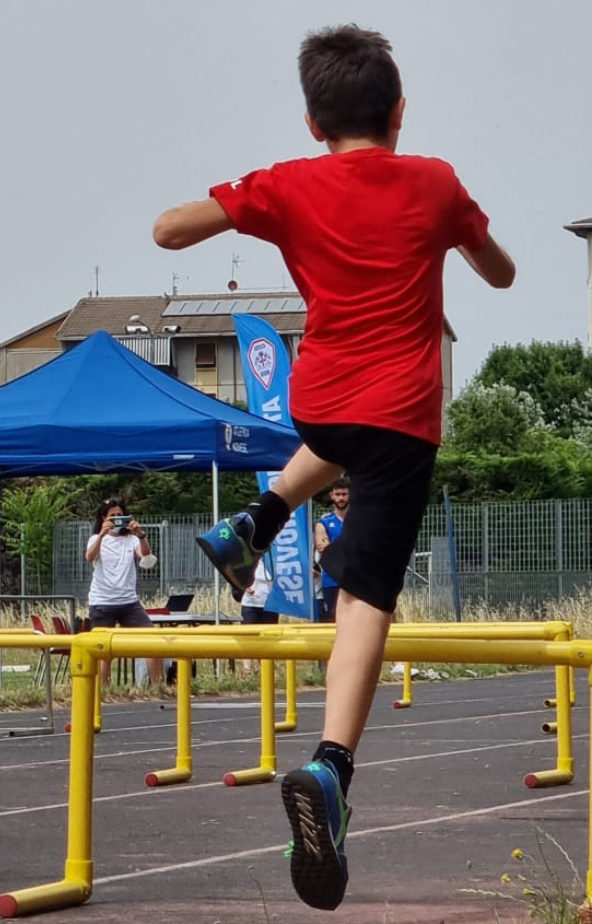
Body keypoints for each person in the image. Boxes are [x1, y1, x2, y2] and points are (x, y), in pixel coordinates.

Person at [153, 25, 515, 911]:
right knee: (366, 600)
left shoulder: (286, 182)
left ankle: (255, 520)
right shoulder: (434, 181)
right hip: (400, 416)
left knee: (338, 437)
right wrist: (468, 244)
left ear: (313, 119)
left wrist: (256, 199)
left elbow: (166, 231)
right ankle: (332, 767)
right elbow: (501, 275)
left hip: (320, 398)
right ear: (399, 111)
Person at [83, 498, 164, 688]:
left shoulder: (132, 539)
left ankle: (158, 687)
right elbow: (89, 557)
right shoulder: (95, 539)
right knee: (104, 651)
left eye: (120, 516)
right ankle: (102, 691)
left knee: (153, 643)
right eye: (112, 516)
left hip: (129, 602)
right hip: (102, 601)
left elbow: (145, 556)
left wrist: (141, 534)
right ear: (103, 518)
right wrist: (102, 534)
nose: (117, 520)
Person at [313, 477, 349, 624]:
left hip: (356, 580)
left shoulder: (358, 520)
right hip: (332, 581)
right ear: (332, 495)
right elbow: (323, 548)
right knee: (332, 622)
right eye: (338, 494)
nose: (341, 498)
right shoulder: (324, 522)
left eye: (344, 494)